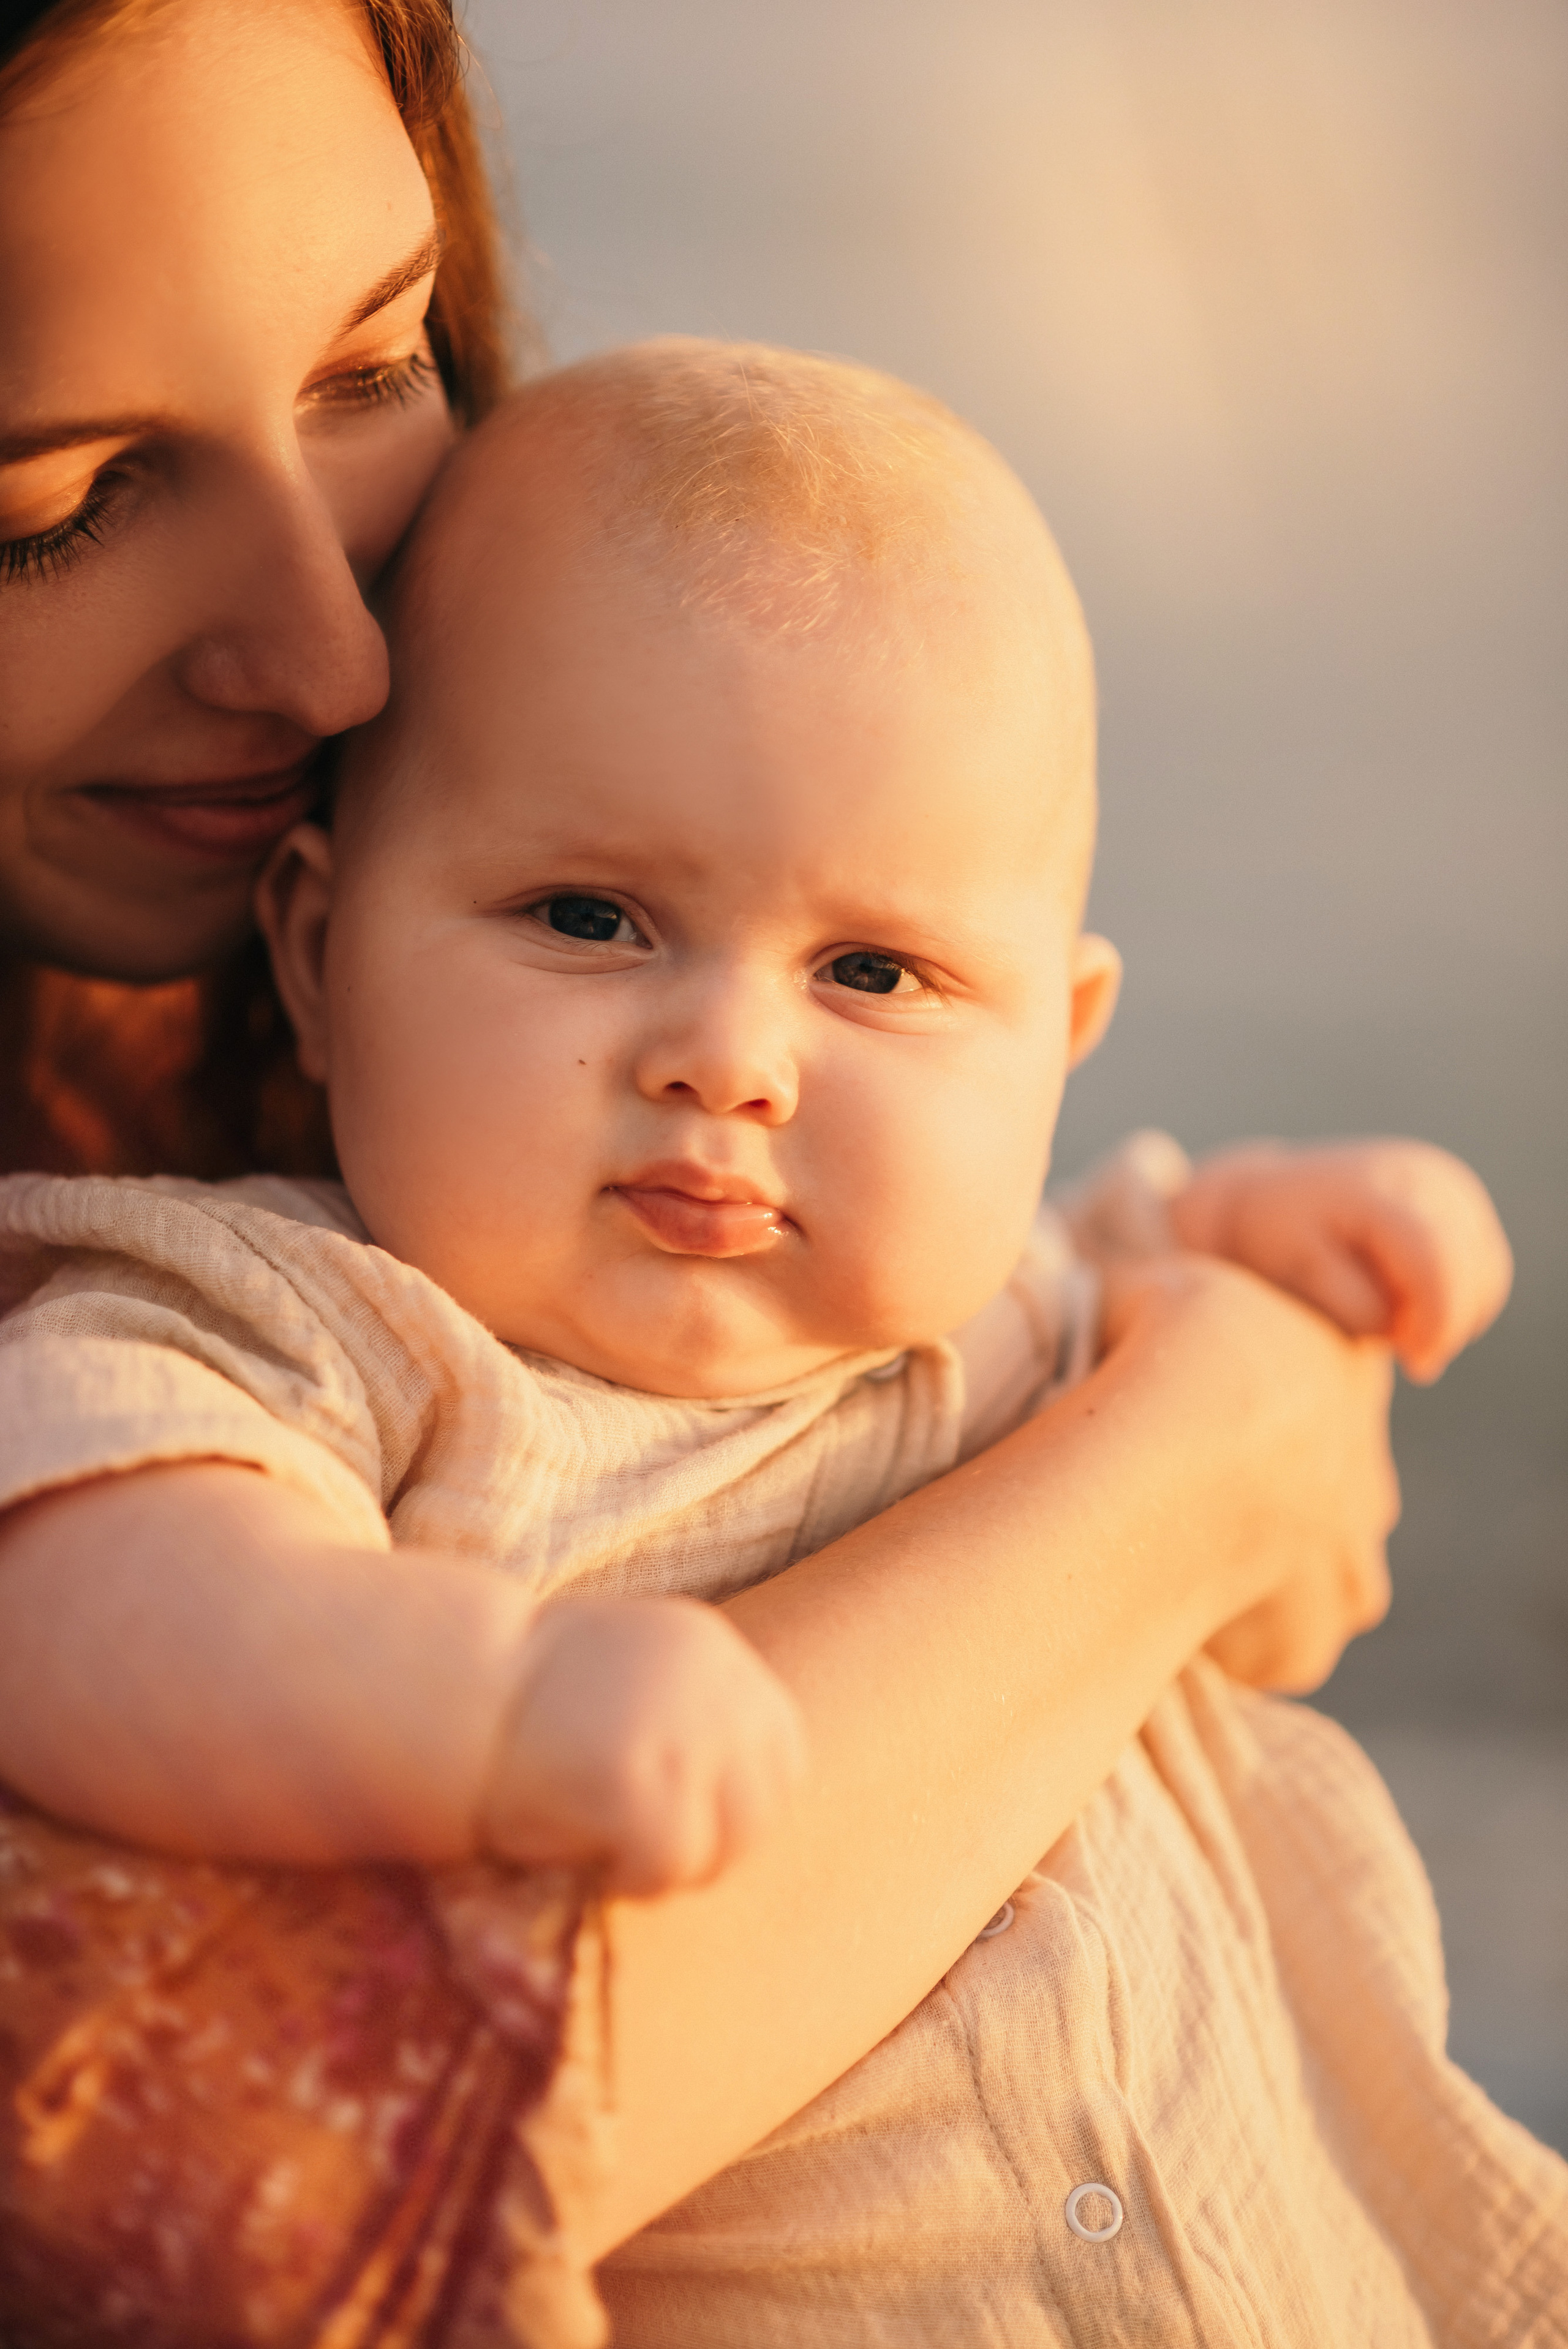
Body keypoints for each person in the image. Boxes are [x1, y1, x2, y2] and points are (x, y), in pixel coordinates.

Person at [0, 0, 1417, 2326]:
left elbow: (1207, 1433)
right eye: (50, 504)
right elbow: (97, 1592)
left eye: (370, 368)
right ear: (319, 943)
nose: (346, 659)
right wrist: (475, 1712)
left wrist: (1260, 1270)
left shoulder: (938, 1281)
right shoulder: (288, 1324)